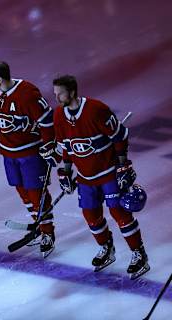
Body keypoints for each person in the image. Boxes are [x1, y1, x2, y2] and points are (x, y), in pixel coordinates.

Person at [52, 74, 149, 279]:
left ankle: (139, 254)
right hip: (85, 177)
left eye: (60, 93)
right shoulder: (59, 116)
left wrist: (123, 166)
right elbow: (67, 148)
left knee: (120, 214)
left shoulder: (96, 109)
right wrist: (66, 171)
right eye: (56, 93)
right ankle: (107, 248)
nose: (57, 97)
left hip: (108, 174)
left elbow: (120, 137)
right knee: (91, 215)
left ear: (72, 92)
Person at [0, 61, 61, 258]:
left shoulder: (28, 93)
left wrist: (49, 146)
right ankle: (38, 226)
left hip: (30, 153)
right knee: (22, 191)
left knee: (37, 194)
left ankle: (48, 233)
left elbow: (47, 121)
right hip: (8, 152)